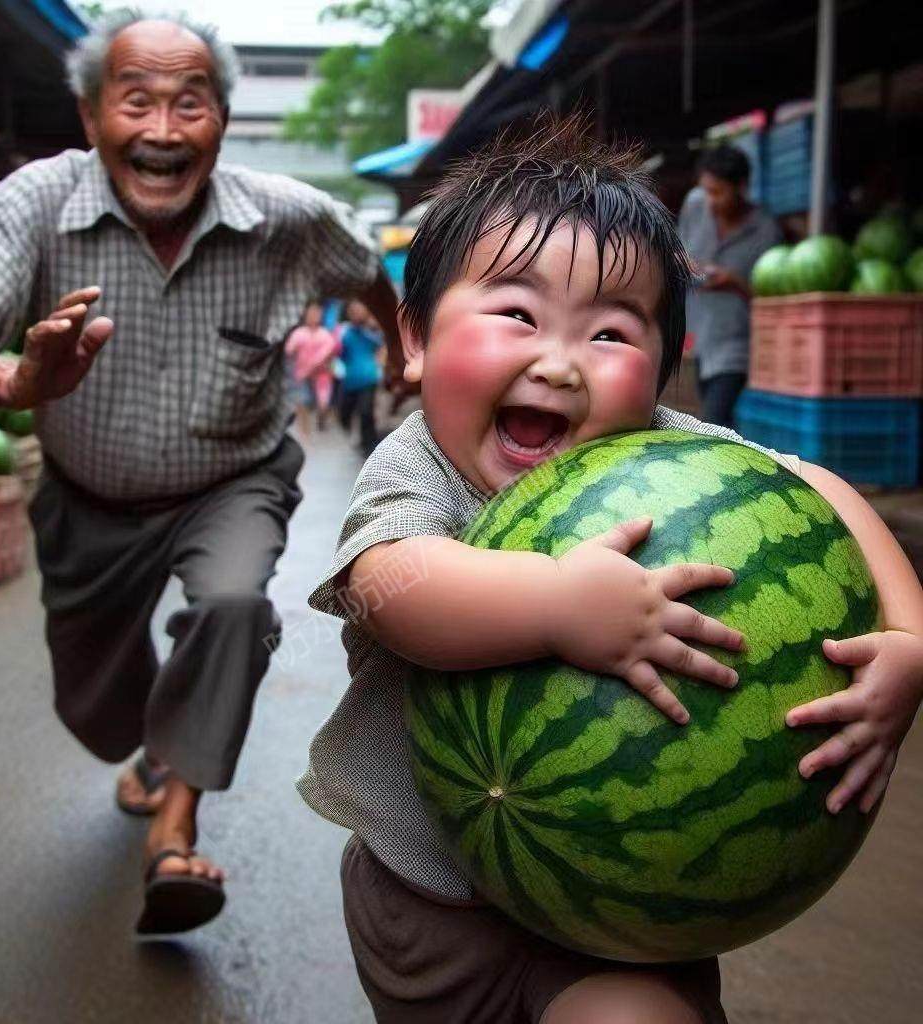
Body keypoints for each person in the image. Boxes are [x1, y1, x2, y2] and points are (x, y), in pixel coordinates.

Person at [296, 118, 923, 1023]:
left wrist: (907, 640)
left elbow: (819, 490)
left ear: (665, 372)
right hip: (432, 907)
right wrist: (557, 604)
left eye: (610, 333)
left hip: (633, 910)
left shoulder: (661, 450)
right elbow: (388, 586)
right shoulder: (417, 464)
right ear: (416, 338)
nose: (556, 364)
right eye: (516, 314)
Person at [0, 11, 400, 936]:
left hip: (233, 480)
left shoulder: (283, 217)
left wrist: (402, 350)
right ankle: (151, 752)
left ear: (222, 121)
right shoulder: (31, 206)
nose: (163, 132)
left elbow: (368, 269)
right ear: (92, 119)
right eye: (136, 103)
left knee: (234, 605)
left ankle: (176, 828)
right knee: (98, 710)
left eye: (190, 104)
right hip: (90, 501)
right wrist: (15, 379)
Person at [677, 144, 783, 428]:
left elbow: (772, 300)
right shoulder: (695, 204)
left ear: (742, 186)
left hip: (737, 343)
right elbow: (678, 250)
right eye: (706, 190)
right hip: (699, 336)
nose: (710, 200)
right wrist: (687, 265)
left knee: (715, 419)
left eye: (718, 192)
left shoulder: (765, 231)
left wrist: (735, 282)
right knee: (716, 418)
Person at [285, 300, 340, 437]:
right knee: (302, 403)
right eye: (311, 313)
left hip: (322, 376)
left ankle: (321, 422)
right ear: (305, 314)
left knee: (323, 404)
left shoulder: (325, 335)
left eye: (317, 313)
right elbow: (288, 352)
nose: (314, 316)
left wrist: (329, 366)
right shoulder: (298, 333)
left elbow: (331, 355)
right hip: (302, 376)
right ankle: (305, 432)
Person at [337, 299, 383, 457]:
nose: (356, 313)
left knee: (365, 412)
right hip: (350, 380)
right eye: (353, 310)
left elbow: (380, 345)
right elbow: (339, 353)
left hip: (368, 379)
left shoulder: (371, 331)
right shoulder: (344, 332)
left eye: (359, 309)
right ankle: (362, 441)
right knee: (345, 412)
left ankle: (368, 446)